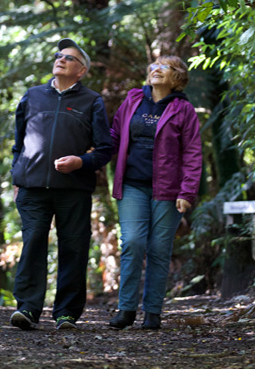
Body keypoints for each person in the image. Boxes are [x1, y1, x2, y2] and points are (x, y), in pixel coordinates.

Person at [9, 38, 113, 331]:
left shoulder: (91, 101)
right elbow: (18, 143)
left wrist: (80, 162)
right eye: (59, 55)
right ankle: (27, 309)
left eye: (69, 58)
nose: (61, 59)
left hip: (74, 189)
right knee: (32, 244)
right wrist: (17, 176)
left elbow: (105, 149)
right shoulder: (32, 96)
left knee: (74, 248)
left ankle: (66, 313)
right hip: (31, 189)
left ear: (81, 71)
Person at [107, 55, 202, 330]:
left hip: (169, 190)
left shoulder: (184, 110)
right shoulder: (133, 100)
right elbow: (114, 135)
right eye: (153, 65)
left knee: (159, 249)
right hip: (132, 184)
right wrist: (93, 157)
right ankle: (126, 309)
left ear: (178, 77)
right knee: (133, 243)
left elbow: (193, 153)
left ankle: (153, 312)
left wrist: (187, 192)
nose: (156, 69)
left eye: (165, 66)